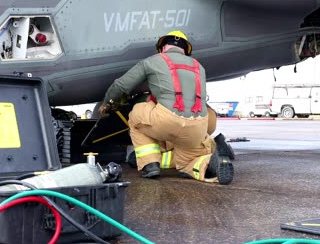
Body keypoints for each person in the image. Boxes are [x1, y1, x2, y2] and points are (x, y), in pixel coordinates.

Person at [99, 31, 234, 184]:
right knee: (188, 162)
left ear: (162, 48)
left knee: (136, 115)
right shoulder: (199, 67)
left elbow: (121, 85)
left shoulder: (152, 61)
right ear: (186, 50)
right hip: (199, 125)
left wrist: (106, 104)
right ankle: (209, 164)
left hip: (167, 120)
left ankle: (150, 164)